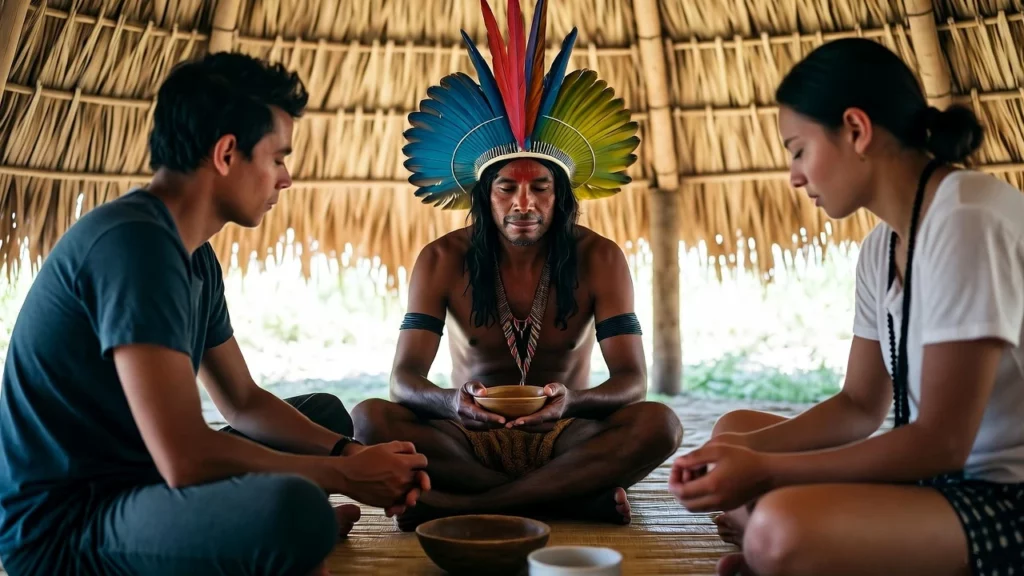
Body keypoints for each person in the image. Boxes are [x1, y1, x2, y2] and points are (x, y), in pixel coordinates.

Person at [0, 52, 429, 576]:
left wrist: (349, 454)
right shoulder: (135, 247)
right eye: (277, 158)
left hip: (144, 480)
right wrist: (341, 478)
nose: (286, 178)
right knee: (294, 512)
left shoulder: (192, 254)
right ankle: (262, 522)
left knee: (323, 416)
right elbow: (185, 457)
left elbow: (243, 401)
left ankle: (247, 519)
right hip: (71, 528)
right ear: (227, 153)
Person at [668, 37, 1024, 576]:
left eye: (798, 149)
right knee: (732, 429)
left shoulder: (967, 220)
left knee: (779, 527)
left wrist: (765, 470)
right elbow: (860, 405)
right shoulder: (882, 248)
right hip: (939, 482)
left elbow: (944, 443)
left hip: (1002, 499)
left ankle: (795, 547)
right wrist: (742, 454)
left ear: (856, 130)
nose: (794, 175)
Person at [352, 0, 683, 531]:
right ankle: (562, 502)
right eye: (507, 188)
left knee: (660, 425)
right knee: (369, 417)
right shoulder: (441, 259)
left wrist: (572, 400)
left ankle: (465, 505)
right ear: (485, 197)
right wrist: (450, 402)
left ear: (562, 195)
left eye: (540, 188)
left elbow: (631, 381)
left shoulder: (599, 258)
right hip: (465, 436)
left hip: (565, 433)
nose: (523, 204)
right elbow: (402, 379)